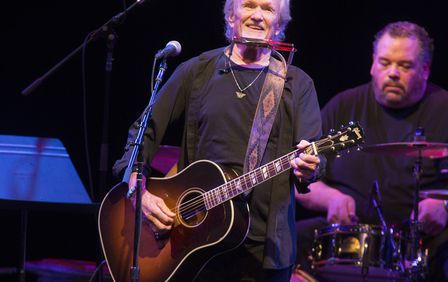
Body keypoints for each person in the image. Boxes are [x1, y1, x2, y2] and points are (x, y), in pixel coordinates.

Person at [112, 0, 323, 281]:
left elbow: (314, 159)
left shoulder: (297, 84)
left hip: (262, 253)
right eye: (248, 5)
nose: (257, 16)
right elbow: (145, 131)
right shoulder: (197, 71)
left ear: (280, 23)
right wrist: (138, 190)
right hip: (190, 243)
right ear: (231, 15)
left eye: (268, 9)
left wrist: (310, 166)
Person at [295, 21, 448, 281]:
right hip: (350, 235)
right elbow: (301, 177)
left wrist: (447, 205)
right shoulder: (343, 106)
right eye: (384, 63)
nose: (393, 72)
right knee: (279, 241)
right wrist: (330, 199)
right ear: (372, 63)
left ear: (425, 70)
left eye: (405, 66)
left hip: (433, 239)